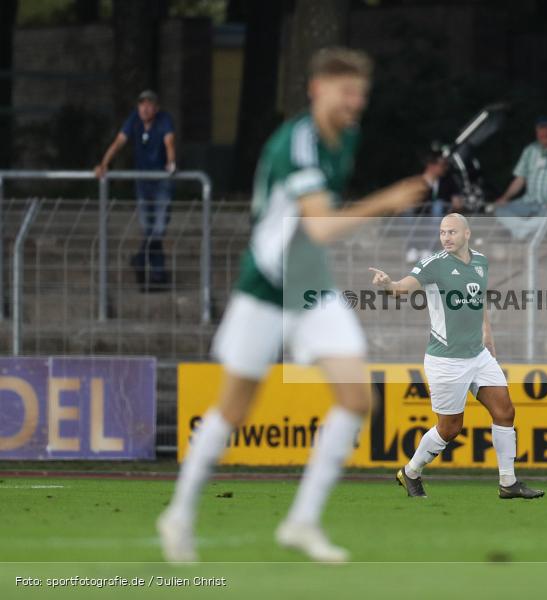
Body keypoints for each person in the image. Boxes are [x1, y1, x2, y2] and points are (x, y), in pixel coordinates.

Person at [156, 47, 428, 564]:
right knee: (234, 409)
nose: (355, 103)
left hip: (311, 284)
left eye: (361, 95)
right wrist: (386, 202)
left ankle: (302, 523)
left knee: (356, 399)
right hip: (266, 284)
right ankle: (178, 514)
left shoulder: (346, 137)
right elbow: (320, 225)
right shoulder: (296, 144)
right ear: (316, 89)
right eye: (346, 93)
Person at [369, 213, 544, 500]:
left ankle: (508, 482)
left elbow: (480, 302)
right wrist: (388, 284)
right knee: (450, 428)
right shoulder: (434, 265)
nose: (446, 237)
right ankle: (410, 472)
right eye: (442, 232)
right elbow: (402, 289)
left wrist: (488, 337)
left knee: (505, 412)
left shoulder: (480, 262)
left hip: (478, 355)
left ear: (466, 234)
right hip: (446, 360)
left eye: (451, 232)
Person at [95, 90, 176, 291]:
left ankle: (140, 259)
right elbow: (119, 142)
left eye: (149, 105)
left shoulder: (164, 120)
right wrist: (104, 164)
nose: (145, 108)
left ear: (156, 108)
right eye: (142, 104)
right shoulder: (134, 120)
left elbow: (169, 142)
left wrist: (171, 163)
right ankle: (157, 274)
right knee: (147, 228)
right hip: (142, 181)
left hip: (161, 181)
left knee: (159, 227)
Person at [493, 117, 547, 239]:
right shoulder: (530, 150)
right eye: (541, 130)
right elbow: (520, 179)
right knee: (499, 209)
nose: (545, 133)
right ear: (537, 132)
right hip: (529, 201)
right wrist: (505, 197)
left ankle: (522, 232)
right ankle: (525, 231)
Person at [405, 144, 465, 263]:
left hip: (439, 214)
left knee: (438, 206)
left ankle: (429, 248)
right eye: (442, 165)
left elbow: (457, 202)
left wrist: (455, 204)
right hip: (420, 213)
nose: (445, 168)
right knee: (408, 213)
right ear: (431, 166)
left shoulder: (448, 180)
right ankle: (412, 248)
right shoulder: (419, 179)